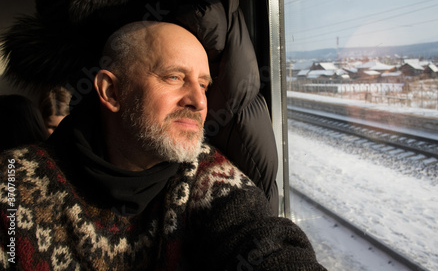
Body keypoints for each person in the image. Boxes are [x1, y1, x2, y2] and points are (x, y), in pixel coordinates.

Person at [0, 21, 325, 270]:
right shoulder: (13, 182)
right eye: (173, 77)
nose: (199, 101)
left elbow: (262, 241)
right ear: (112, 92)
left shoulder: (209, 176)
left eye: (203, 84)